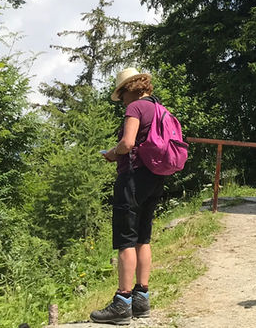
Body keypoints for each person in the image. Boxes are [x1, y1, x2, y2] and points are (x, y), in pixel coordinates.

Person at [90, 68, 167, 325]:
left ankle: (122, 303)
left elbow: (128, 143)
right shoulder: (159, 109)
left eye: (121, 93)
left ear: (129, 89)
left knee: (125, 239)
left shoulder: (135, 108)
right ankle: (141, 298)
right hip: (155, 177)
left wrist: (112, 153)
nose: (121, 99)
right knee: (143, 238)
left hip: (133, 178)